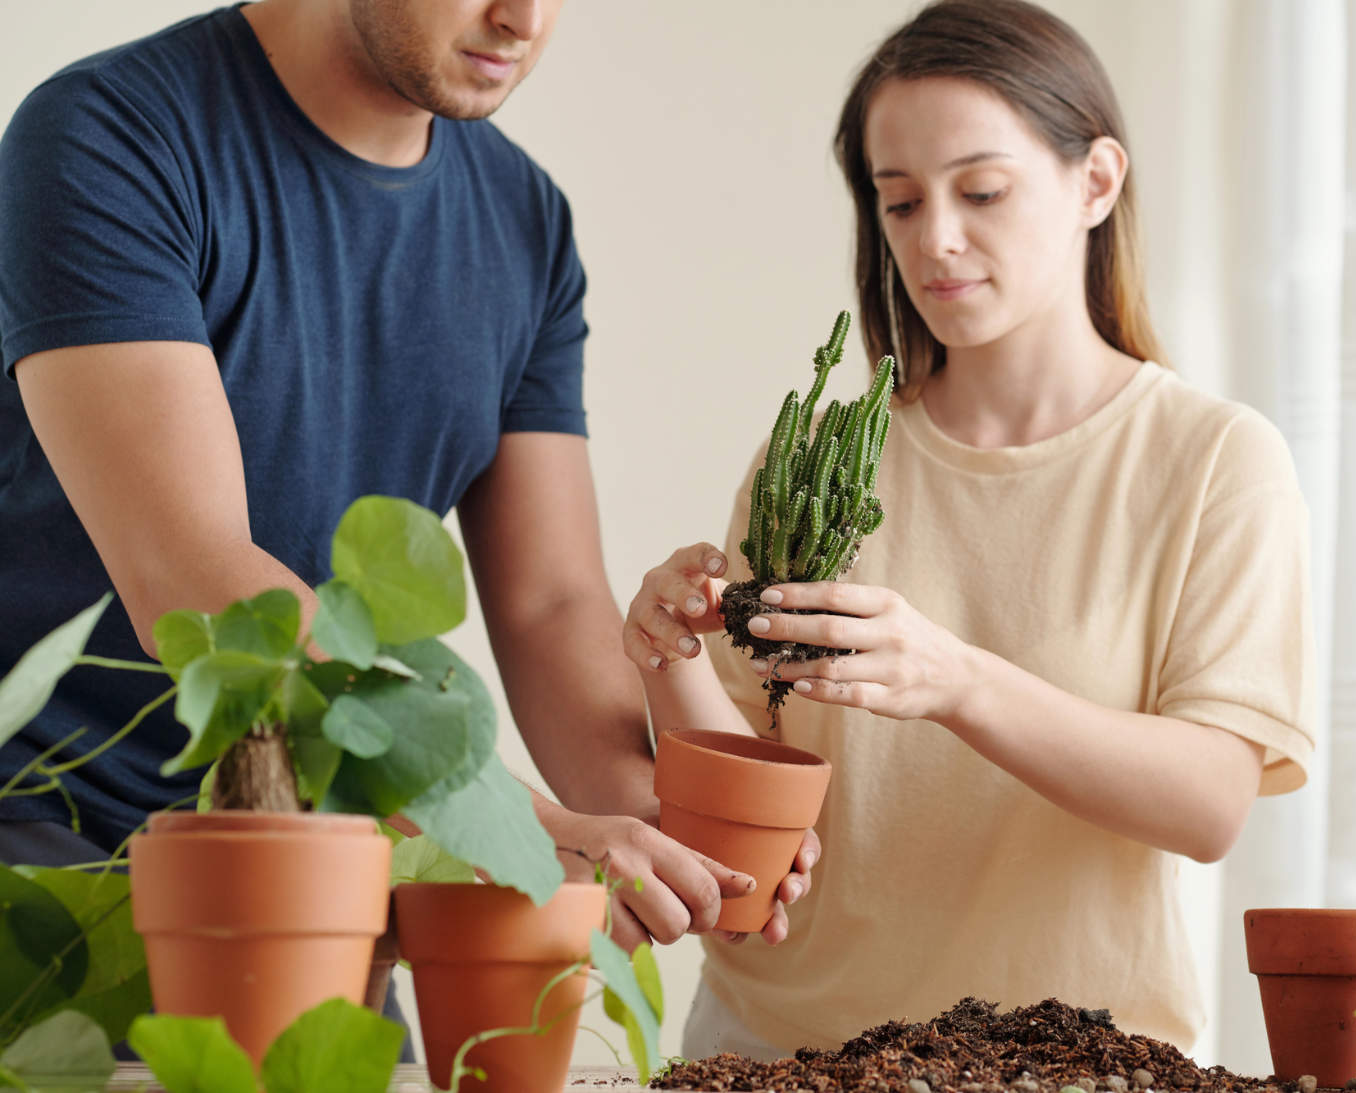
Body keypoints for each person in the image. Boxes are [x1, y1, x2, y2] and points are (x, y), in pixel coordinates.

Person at [0, 0, 813, 955]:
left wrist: (663, 830)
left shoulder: (526, 224)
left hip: (332, 852)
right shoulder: (110, 132)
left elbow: (552, 605)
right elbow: (188, 571)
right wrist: (512, 831)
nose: (524, 18)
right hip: (48, 827)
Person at [622, 0, 1316, 1060]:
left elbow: (1211, 801)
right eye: (897, 203)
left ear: (1095, 181)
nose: (934, 239)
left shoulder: (1212, 461)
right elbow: (747, 780)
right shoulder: (812, 461)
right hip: (775, 1054)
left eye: (980, 191)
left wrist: (956, 681)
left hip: (1066, 1062)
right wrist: (664, 653)